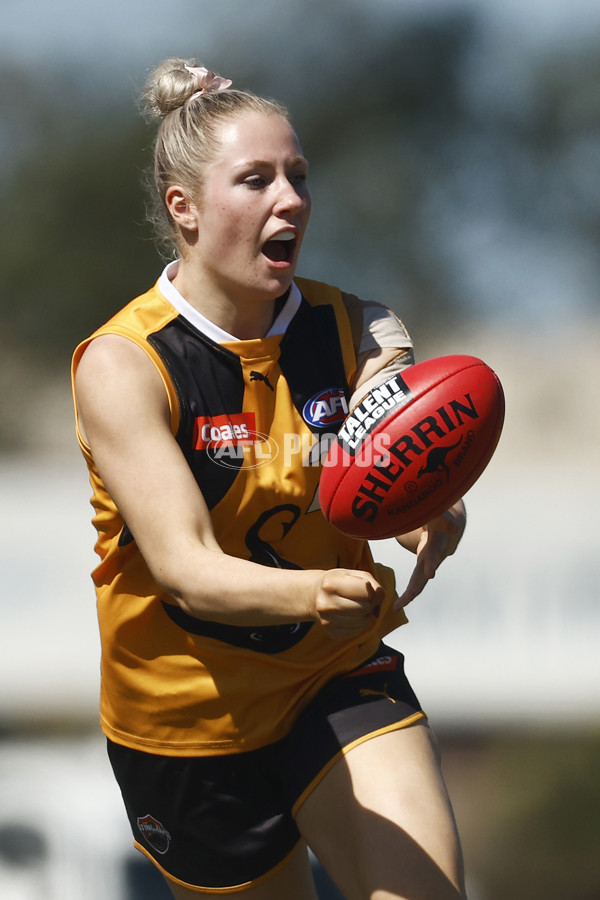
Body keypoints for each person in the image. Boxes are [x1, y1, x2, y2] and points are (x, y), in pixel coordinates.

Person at [72, 58, 468, 900]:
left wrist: (435, 510)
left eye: (297, 176)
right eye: (255, 180)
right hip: (184, 725)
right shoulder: (125, 364)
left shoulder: (353, 328)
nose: (289, 200)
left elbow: (392, 484)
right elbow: (185, 568)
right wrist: (318, 590)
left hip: (333, 674)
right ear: (183, 208)